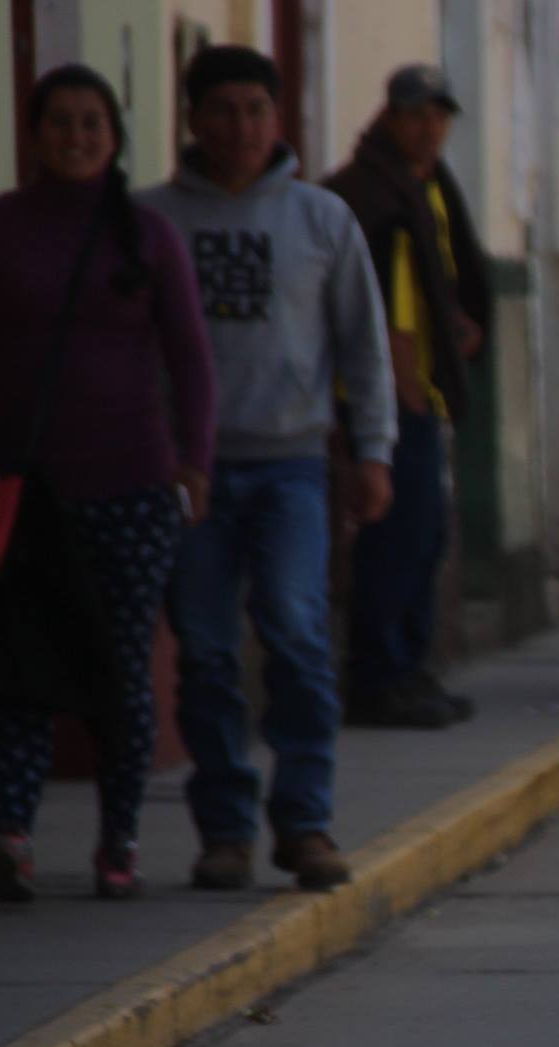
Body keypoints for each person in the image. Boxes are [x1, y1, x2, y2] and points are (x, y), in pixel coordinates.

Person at [142, 46, 396, 892]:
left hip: (292, 464)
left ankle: (306, 820)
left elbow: (364, 347)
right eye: (221, 109)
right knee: (208, 650)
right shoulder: (155, 221)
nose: (240, 126)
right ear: (191, 120)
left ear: (277, 118)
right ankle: (224, 829)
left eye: (256, 108)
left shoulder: (320, 220)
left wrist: (372, 450)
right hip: (193, 475)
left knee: (295, 630)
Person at [0, 64, 216, 902]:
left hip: (133, 486)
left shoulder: (145, 235)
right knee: (20, 665)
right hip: (26, 491)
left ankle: (119, 840)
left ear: (113, 137)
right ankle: (13, 834)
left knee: (120, 667)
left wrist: (197, 460)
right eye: (59, 122)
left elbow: (189, 357)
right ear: (34, 133)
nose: (75, 137)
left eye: (91, 123)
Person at [325, 63, 491, 729]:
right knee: (397, 539)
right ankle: (380, 676)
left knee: (424, 538)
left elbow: (442, 279)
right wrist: (402, 394)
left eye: (439, 116)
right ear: (390, 117)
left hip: (425, 389)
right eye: (417, 115)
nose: (430, 129)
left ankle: (411, 669)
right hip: (395, 396)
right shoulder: (375, 193)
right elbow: (385, 313)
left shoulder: (427, 185)